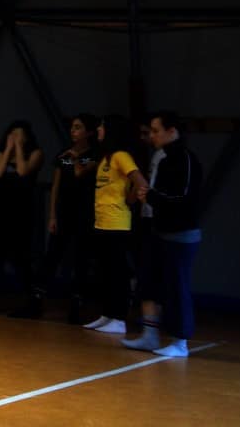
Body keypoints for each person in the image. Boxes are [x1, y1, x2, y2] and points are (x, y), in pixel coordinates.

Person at [123, 112, 203, 358]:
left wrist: (151, 196)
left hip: (179, 234)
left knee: (176, 287)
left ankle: (180, 341)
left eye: (156, 131)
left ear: (172, 131)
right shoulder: (164, 158)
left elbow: (181, 198)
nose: (152, 135)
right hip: (158, 230)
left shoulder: (186, 159)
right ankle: (149, 334)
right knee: (147, 283)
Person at [31, 114, 99, 322]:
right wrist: (52, 215)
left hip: (86, 212)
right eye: (72, 127)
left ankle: (77, 303)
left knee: (81, 258)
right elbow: (56, 186)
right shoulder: (63, 154)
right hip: (64, 212)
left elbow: (80, 173)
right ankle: (37, 298)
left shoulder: (95, 154)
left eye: (78, 127)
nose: (73, 131)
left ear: (89, 132)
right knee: (53, 254)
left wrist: (76, 158)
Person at [83, 115, 147, 334]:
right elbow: (76, 166)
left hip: (117, 224)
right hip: (102, 223)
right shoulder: (104, 157)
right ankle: (107, 314)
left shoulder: (121, 156)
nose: (98, 130)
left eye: (102, 127)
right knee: (105, 273)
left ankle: (119, 318)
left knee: (118, 273)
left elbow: (140, 181)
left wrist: (130, 199)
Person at [0, 121, 44, 315]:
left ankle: (31, 302)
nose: (15, 137)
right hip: (1, 209)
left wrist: (18, 148)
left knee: (21, 257)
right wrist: (8, 149)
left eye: (19, 134)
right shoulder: (1, 154)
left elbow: (23, 172)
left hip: (22, 210)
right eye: (12, 134)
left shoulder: (35, 153)